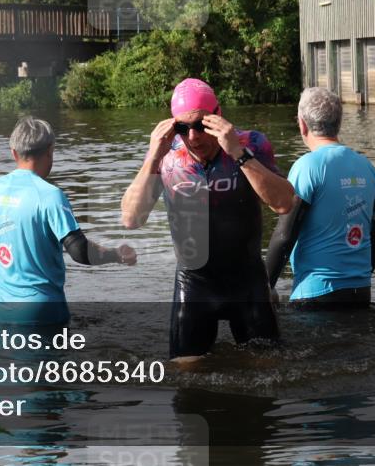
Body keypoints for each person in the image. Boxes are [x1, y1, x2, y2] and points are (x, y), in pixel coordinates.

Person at [121, 78, 294, 359]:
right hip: (194, 282)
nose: (193, 137)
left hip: (246, 279)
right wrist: (152, 157)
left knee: (267, 374)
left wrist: (238, 154)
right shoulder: (166, 155)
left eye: (201, 125)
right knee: (186, 379)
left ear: (218, 115)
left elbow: (284, 204)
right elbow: (130, 219)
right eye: (182, 127)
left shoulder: (251, 143)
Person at [0, 116, 136, 325]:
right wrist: (116, 255)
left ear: (13, 153)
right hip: (43, 311)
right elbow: (80, 251)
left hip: (2, 312)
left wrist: (14, 259)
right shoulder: (50, 195)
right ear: (49, 150)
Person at [265, 87, 375, 308]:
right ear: (339, 122)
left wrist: (262, 288)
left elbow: (285, 235)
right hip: (360, 294)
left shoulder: (307, 166)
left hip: (315, 294)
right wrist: (359, 277)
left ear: (301, 123)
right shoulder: (368, 167)